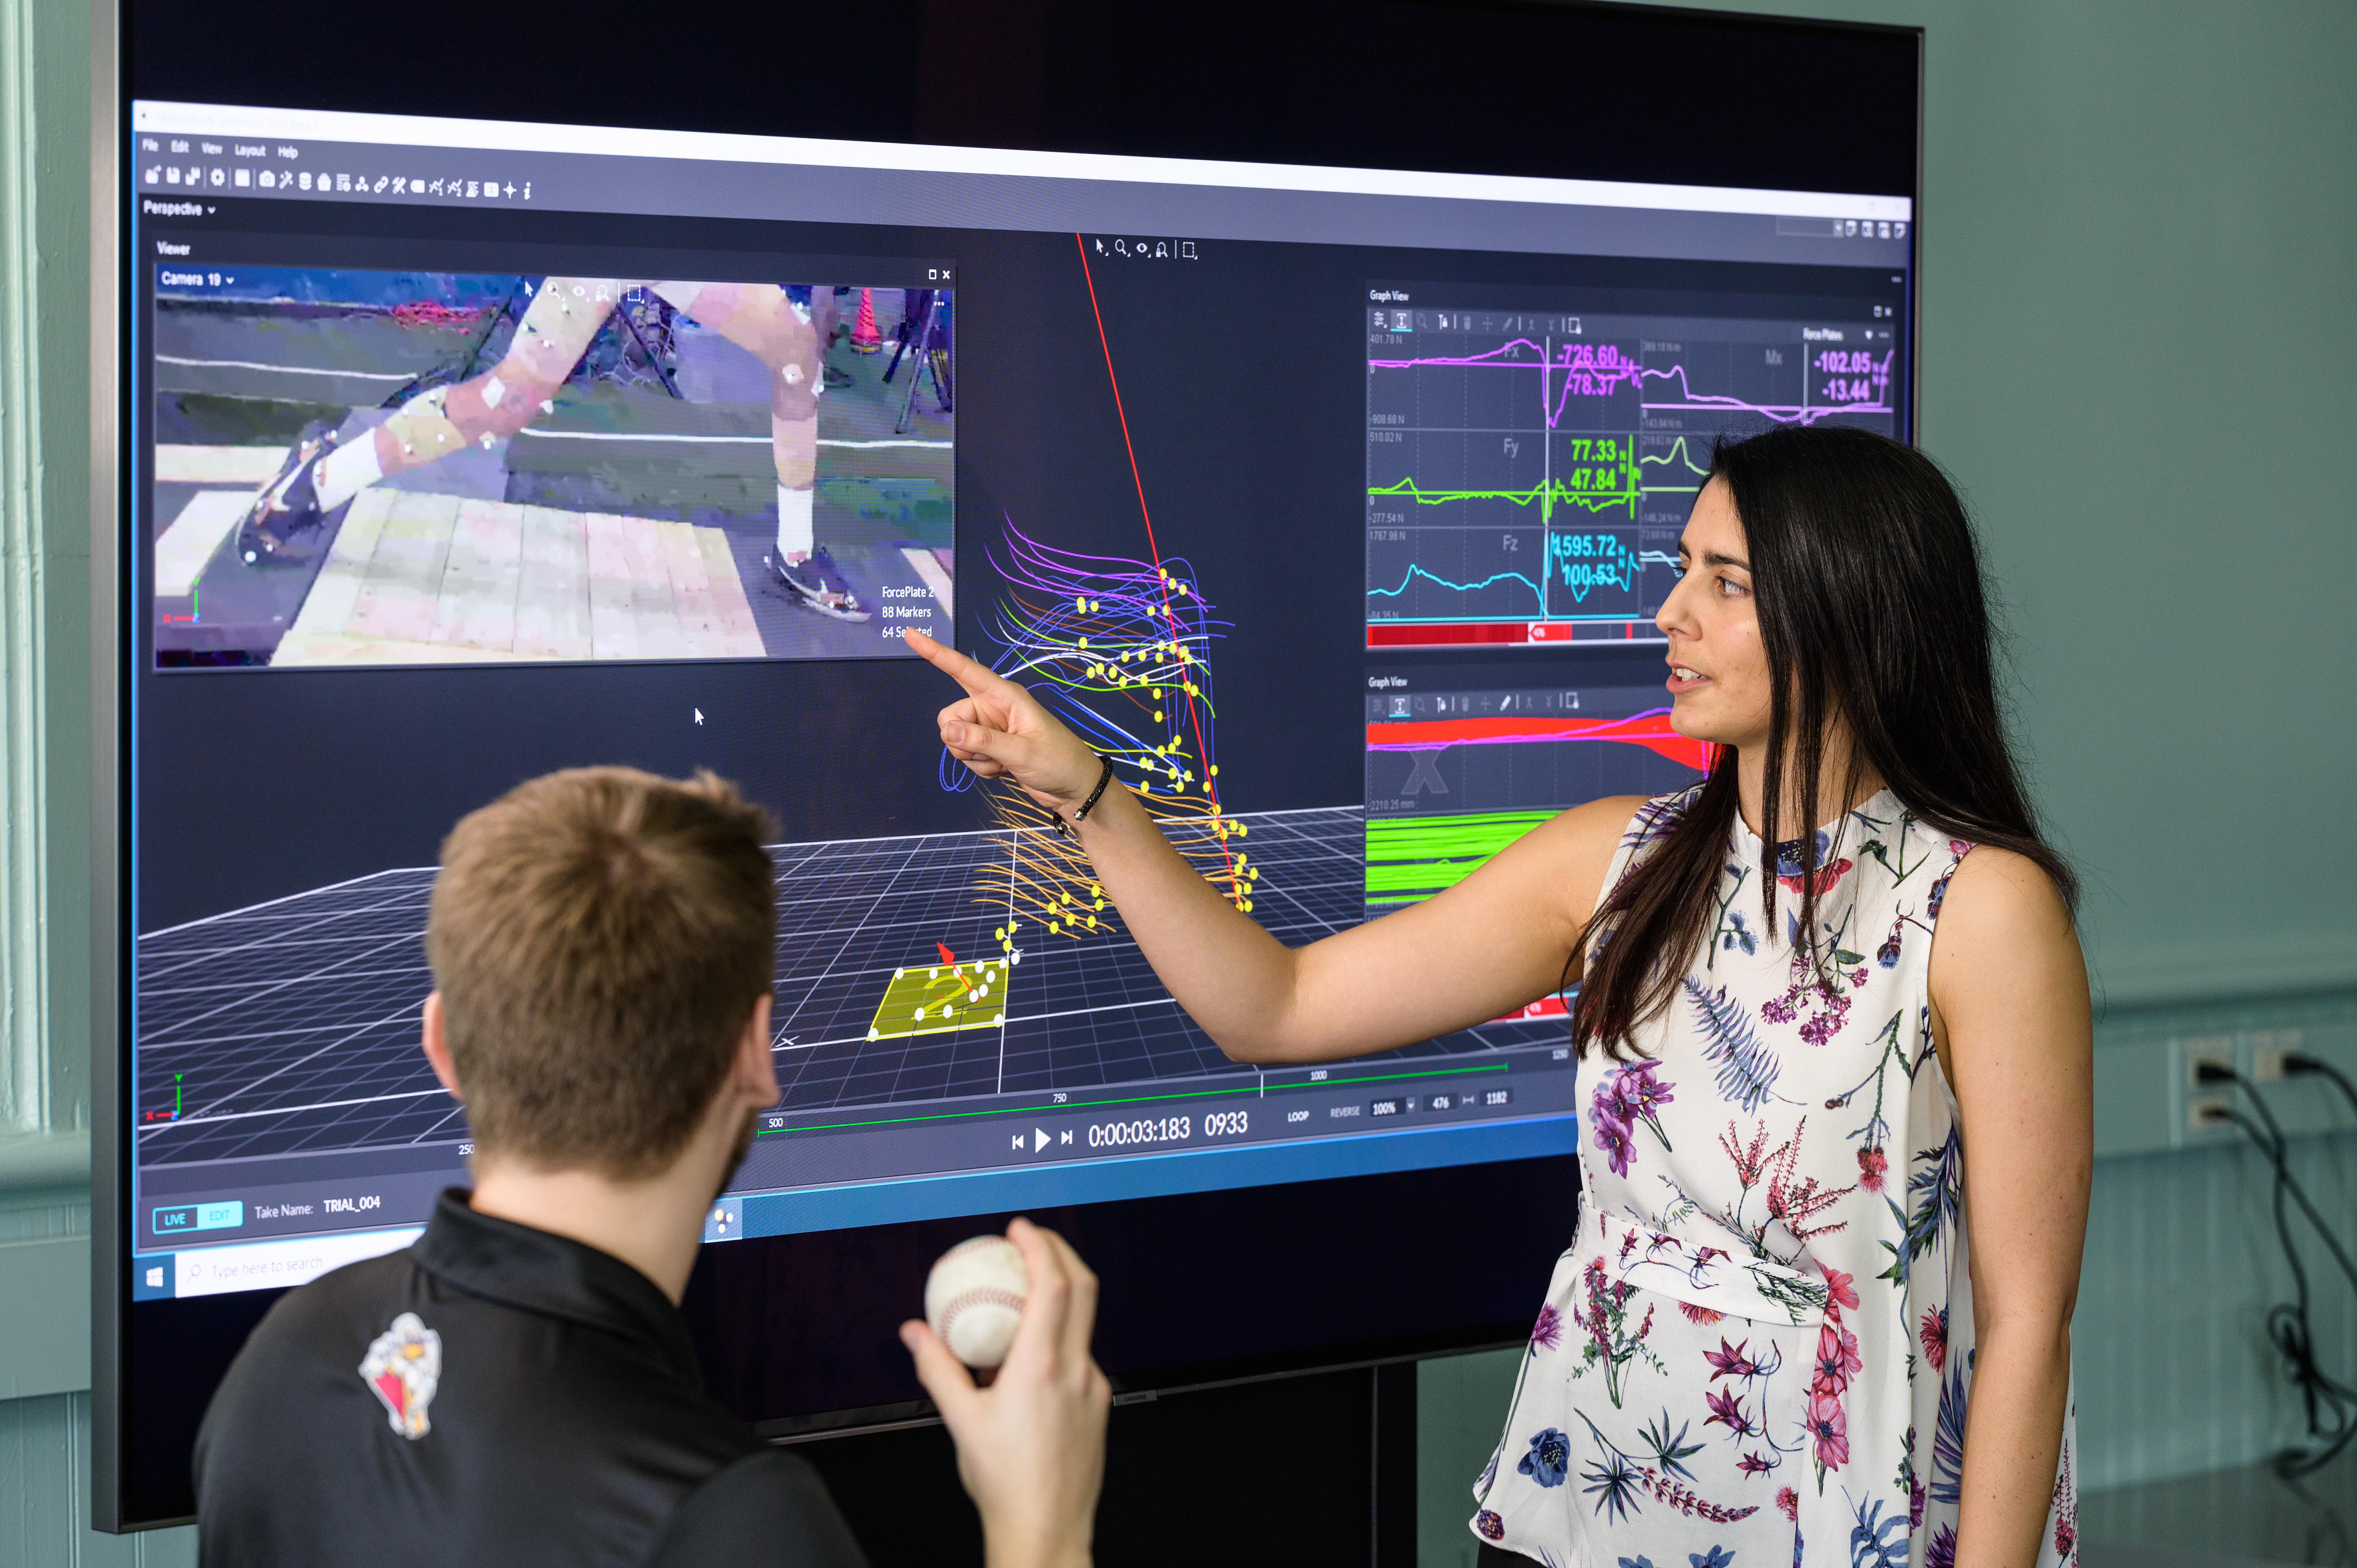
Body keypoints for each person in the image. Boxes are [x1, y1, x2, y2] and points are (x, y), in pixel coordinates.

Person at [906, 424, 2091, 1568]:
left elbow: (2027, 1332)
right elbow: (1274, 1007)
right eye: (1683, 570)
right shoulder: (1615, 861)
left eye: (1723, 582)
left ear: (1850, 613)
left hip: (1837, 1531)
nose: (1670, 612)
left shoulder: (1983, 909)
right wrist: (1084, 788)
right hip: (1576, 1518)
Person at [194, 767, 1109, 1566]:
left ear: (443, 1045)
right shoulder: (730, 1516)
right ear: (755, 1050)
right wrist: (1042, 1527)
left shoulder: (284, 1354)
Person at [235, 278, 872, 618]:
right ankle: (318, 482)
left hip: (683, 229)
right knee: (503, 405)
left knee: (796, 353)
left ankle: (795, 549)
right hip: (616, 235)